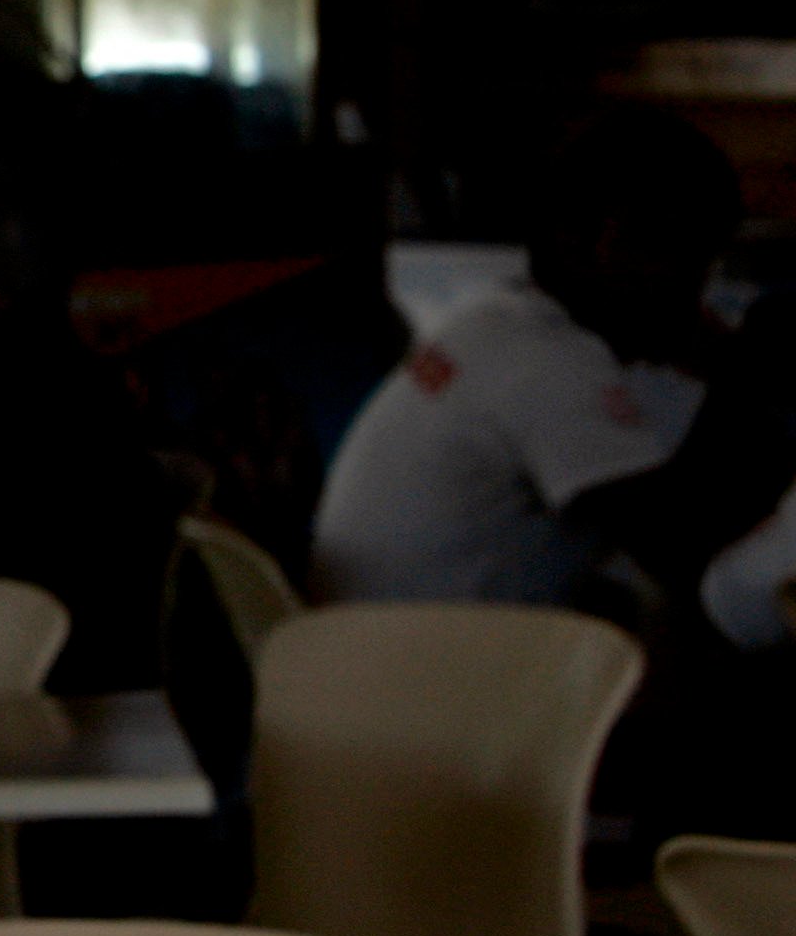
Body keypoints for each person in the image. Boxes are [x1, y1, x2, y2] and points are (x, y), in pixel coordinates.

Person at [315, 107, 741, 608]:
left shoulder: (497, 326)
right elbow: (690, 558)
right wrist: (744, 387)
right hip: (426, 672)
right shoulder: (549, 364)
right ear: (608, 245)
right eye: (689, 260)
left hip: (370, 652)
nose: (698, 297)